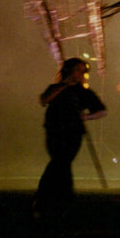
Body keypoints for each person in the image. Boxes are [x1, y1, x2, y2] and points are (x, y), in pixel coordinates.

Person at [33, 57, 107, 217]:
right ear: (69, 71)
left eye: (82, 71)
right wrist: (65, 85)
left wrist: (85, 117)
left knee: (61, 162)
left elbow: (102, 111)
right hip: (54, 132)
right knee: (60, 164)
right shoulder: (57, 88)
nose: (80, 74)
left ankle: (49, 199)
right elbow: (44, 100)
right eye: (77, 70)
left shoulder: (83, 92)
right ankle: (61, 200)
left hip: (73, 133)